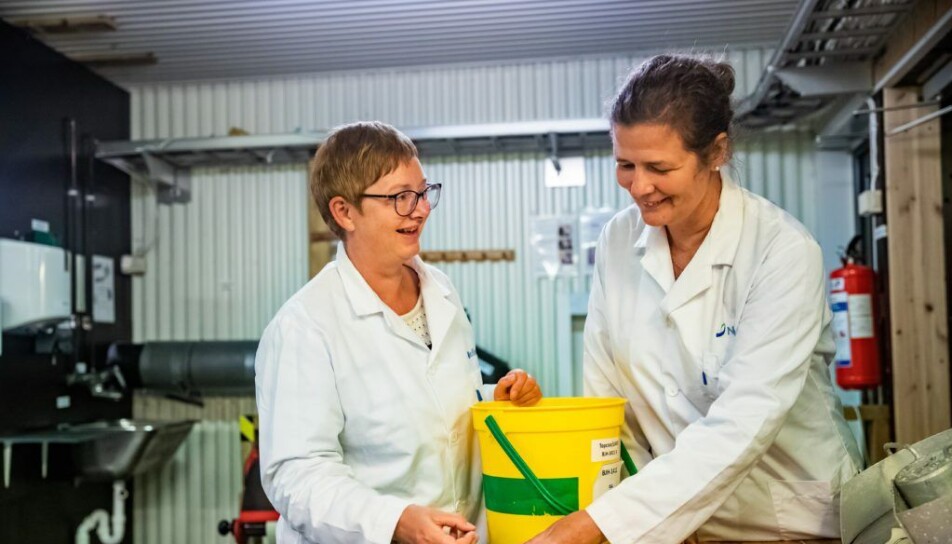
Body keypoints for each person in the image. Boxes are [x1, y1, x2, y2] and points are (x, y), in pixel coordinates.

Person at [527, 55, 863, 544]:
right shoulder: (618, 241)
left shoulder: (782, 250)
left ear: (716, 152)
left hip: (789, 520)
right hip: (670, 524)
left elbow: (745, 419)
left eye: (659, 167)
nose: (639, 187)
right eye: (625, 165)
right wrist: (623, 513)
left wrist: (601, 524)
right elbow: (608, 404)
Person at [255, 121, 542, 544]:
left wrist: (494, 400)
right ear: (344, 212)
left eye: (423, 193)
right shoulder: (305, 326)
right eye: (400, 198)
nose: (421, 209)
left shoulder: (440, 290)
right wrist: (393, 522)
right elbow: (297, 475)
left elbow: (436, 406)